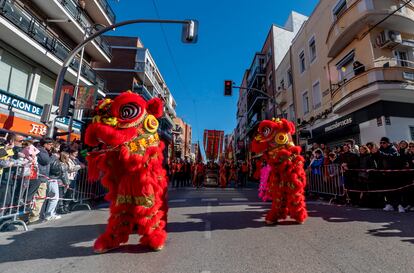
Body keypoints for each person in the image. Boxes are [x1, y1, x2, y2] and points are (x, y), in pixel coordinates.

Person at [379, 137, 405, 213]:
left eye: (383, 142)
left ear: (388, 143)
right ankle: (390, 204)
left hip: (394, 174)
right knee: (388, 190)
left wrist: (380, 153)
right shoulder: (380, 150)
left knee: (396, 190)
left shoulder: (393, 149)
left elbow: (391, 157)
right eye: (381, 143)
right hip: (385, 174)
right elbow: (380, 161)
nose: (382, 144)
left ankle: (400, 205)